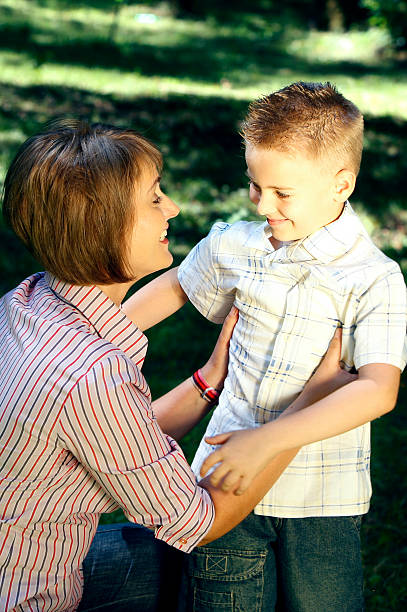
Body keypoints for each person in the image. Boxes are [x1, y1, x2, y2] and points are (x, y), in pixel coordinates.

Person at [0, 119, 353, 612]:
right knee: (209, 554)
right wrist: (304, 409)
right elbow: (198, 521)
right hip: (27, 595)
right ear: (104, 226)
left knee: (181, 557)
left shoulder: (24, 302)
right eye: (153, 198)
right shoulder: (92, 373)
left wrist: (210, 380)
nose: (174, 207)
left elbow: (112, 436)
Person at [123, 82, 407, 611]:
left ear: (341, 184)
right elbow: (176, 285)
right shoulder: (237, 244)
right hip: (224, 478)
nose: (263, 203)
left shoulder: (374, 278)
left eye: (282, 193)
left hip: (322, 498)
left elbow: (377, 390)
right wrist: (99, 335)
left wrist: (270, 438)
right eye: (255, 185)